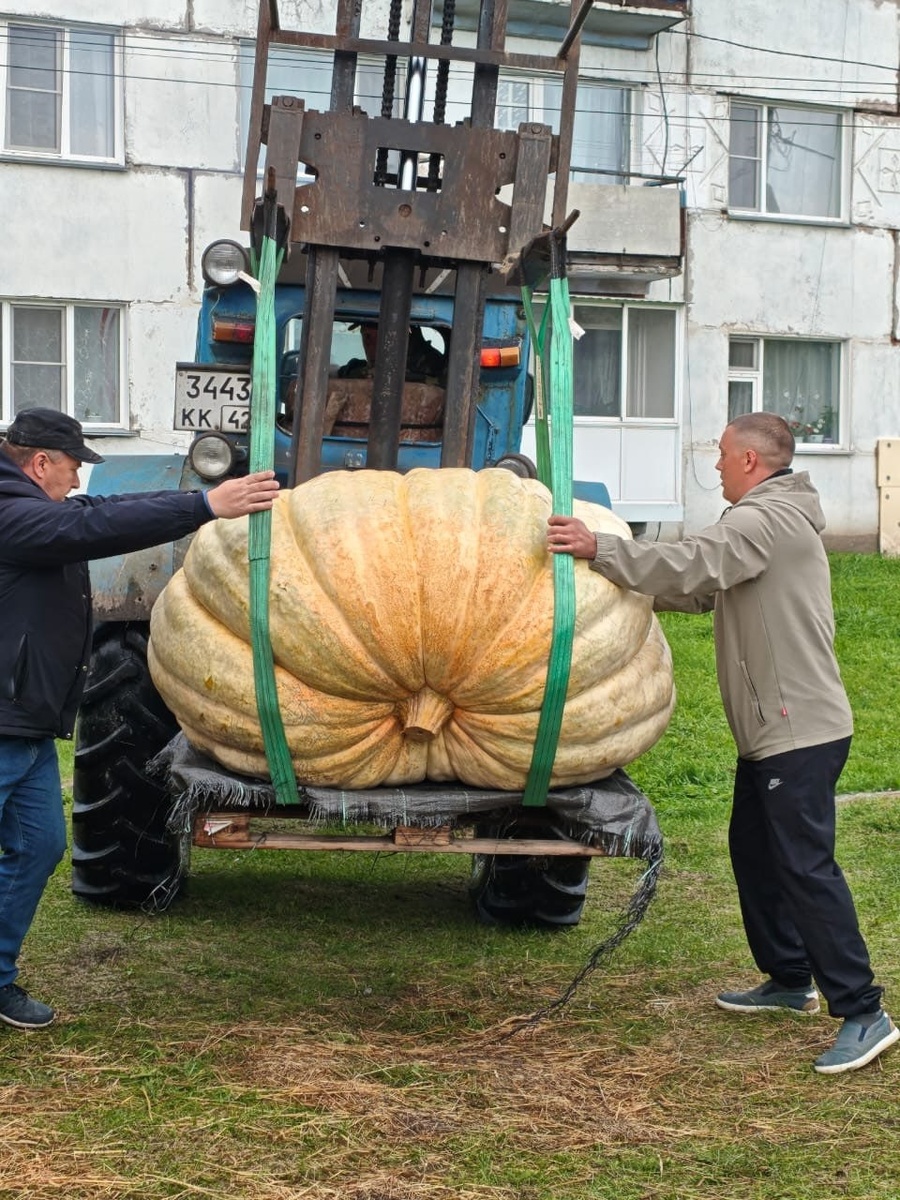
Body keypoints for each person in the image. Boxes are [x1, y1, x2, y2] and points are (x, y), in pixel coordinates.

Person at [547, 411, 898, 1076]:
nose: (715, 465)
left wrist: (603, 550)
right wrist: (614, 593)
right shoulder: (770, 520)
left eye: (722, 454)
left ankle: (863, 1011)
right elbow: (705, 589)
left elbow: (695, 563)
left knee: (805, 868)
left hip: (796, 731)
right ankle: (790, 978)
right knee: (756, 853)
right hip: (776, 731)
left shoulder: (762, 519)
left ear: (750, 461)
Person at [0, 407, 280, 1031]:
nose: (77, 479)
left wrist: (202, 503)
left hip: (27, 726)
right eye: (72, 467)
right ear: (40, 462)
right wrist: (205, 505)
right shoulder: (13, 514)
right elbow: (91, 524)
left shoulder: (36, 509)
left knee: (40, 847)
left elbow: (102, 510)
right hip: (3, 722)